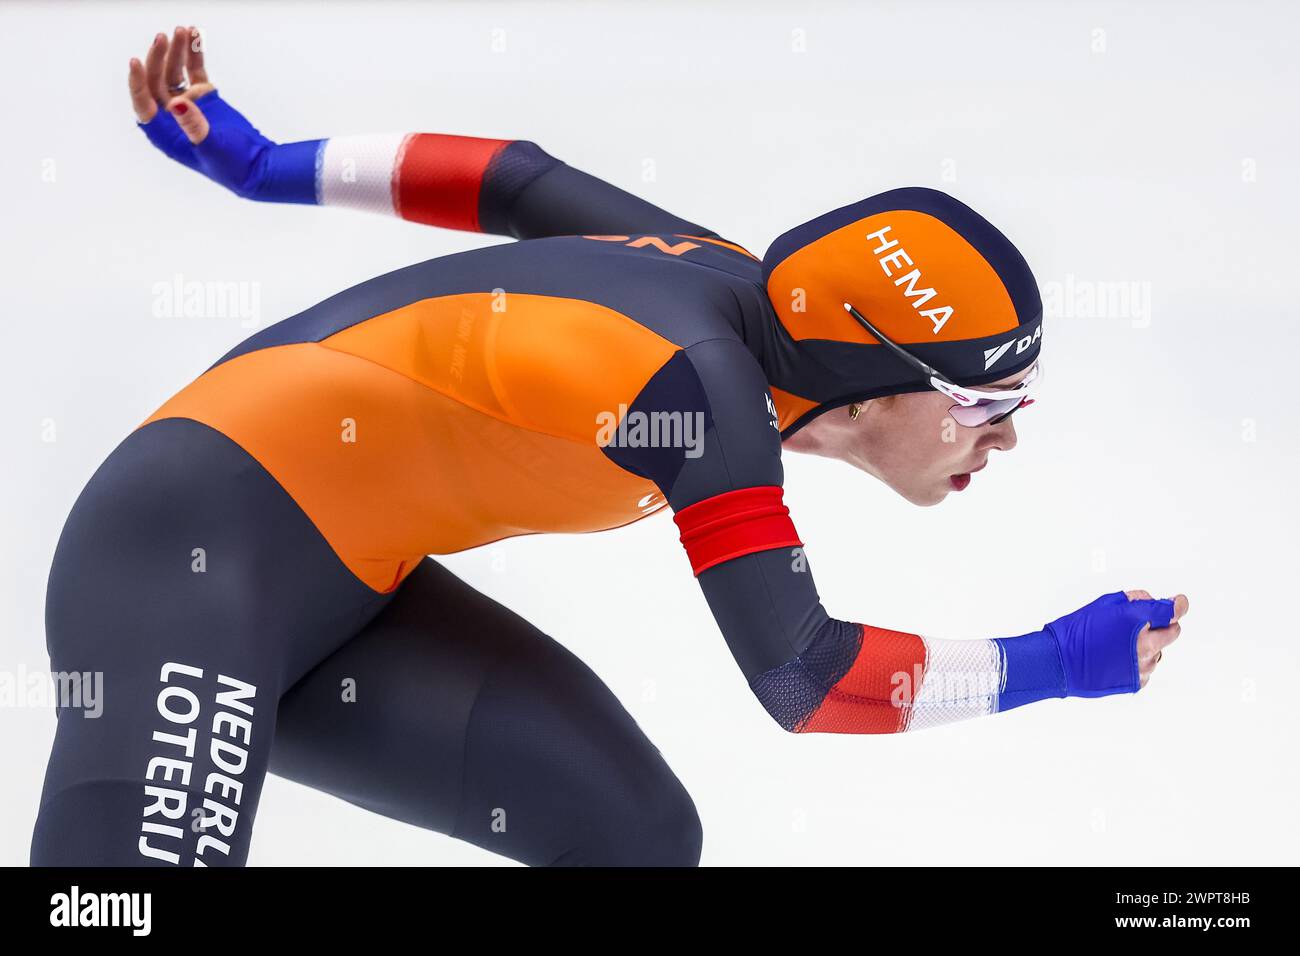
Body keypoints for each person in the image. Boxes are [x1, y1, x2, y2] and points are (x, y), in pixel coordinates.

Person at [30, 27, 1187, 867]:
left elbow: (513, 179)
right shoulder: (704, 385)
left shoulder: (733, 285)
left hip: (347, 595)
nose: (1005, 438)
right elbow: (806, 676)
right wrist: (1055, 661)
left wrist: (262, 163)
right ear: (875, 380)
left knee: (631, 838)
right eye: (987, 403)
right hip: (180, 552)